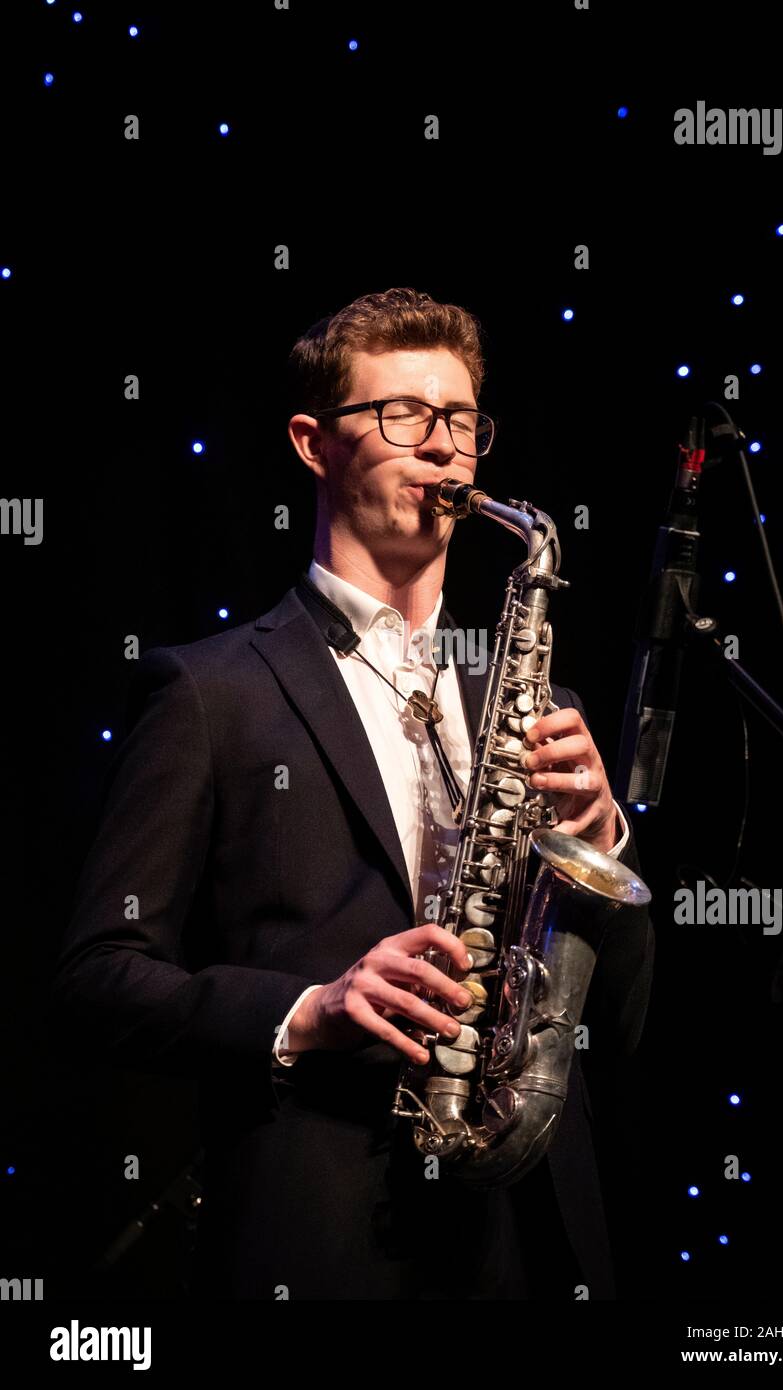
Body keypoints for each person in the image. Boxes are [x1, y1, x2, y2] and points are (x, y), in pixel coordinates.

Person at [51, 286, 654, 1300]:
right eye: (402, 416)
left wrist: (600, 842)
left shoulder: (541, 697)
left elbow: (624, 1020)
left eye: (460, 421)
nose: (443, 450)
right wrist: (309, 1008)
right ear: (310, 443)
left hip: (531, 1237)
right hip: (325, 1242)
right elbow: (96, 981)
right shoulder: (208, 692)